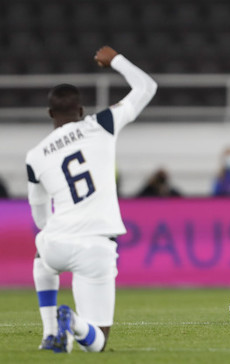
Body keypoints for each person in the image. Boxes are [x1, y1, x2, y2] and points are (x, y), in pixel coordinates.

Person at [26, 46, 157, 353]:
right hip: (96, 247)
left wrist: (54, 233)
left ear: (50, 115)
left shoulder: (35, 156)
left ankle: (49, 334)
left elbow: (39, 214)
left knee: (41, 257)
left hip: (57, 242)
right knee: (97, 343)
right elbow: (147, 87)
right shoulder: (101, 125)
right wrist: (116, 60)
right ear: (81, 111)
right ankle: (69, 320)